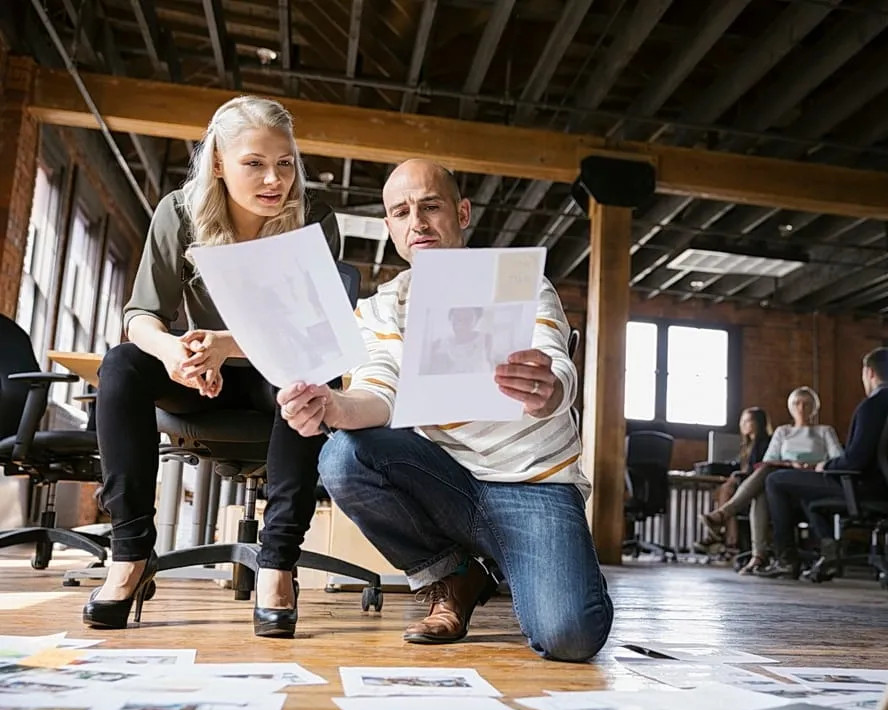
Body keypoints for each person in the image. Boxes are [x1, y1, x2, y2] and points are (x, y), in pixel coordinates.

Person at [276, 158, 613, 662]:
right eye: (401, 211)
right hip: (445, 482)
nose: (418, 222)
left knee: (570, 637)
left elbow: (557, 363)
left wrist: (550, 386)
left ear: (462, 212)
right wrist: (334, 407)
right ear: (389, 227)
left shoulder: (518, 283)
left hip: (532, 486)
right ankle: (452, 575)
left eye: (430, 206)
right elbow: (380, 394)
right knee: (342, 455)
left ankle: (516, 563)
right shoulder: (378, 308)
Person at [84, 97, 340, 637]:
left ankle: (277, 564)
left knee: (310, 379)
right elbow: (140, 316)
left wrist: (227, 342)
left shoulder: (315, 218)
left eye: (286, 163)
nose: (275, 179)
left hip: (276, 372)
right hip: (203, 373)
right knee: (123, 365)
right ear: (219, 163)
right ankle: (130, 556)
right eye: (254, 164)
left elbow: (319, 332)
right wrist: (173, 352)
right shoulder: (179, 211)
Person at [764, 348, 888, 579]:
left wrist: (825, 467)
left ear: (869, 372)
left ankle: (786, 560)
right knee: (810, 493)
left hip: (864, 487)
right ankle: (829, 554)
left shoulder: (870, 407)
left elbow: (856, 460)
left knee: (775, 480)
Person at [701, 387, 842, 575]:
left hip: (810, 480)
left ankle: (726, 517)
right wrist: (790, 463)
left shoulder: (824, 431)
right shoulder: (783, 432)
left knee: (767, 480)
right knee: (764, 485)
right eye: (796, 403)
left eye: (806, 403)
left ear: (815, 408)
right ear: (790, 407)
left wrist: (811, 465)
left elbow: (837, 458)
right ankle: (758, 555)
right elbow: (767, 460)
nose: (801, 407)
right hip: (781, 482)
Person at [695, 407, 771, 561]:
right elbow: (737, 466)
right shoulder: (747, 446)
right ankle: (727, 539)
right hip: (745, 487)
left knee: (726, 489)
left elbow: (758, 470)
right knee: (724, 489)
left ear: (759, 423)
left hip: (759, 488)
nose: (742, 424)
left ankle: (721, 536)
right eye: (741, 420)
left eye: (747, 420)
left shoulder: (765, 443)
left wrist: (737, 476)